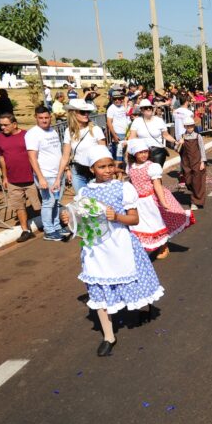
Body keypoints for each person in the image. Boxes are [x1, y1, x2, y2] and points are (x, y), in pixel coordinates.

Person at [60, 145, 164, 357]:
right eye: (101, 167)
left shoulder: (123, 188)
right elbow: (81, 222)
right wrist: (68, 219)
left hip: (121, 243)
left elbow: (134, 219)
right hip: (96, 248)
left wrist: (117, 217)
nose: (107, 170)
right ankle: (109, 336)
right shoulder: (85, 192)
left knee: (134, 283)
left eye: (110, 165)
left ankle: (144, 307)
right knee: (99, 287)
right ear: (92, 169)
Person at [126, 139, 194, 259]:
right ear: (134, 154)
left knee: (157, 224)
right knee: (141, 225)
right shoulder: (130, 167)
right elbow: (132, 183)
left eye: (145, 152)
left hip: (152, 200)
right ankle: (144, 246)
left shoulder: (152, 167)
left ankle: (163, 246)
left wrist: (163, 202)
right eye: (140, 152)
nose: (143, 155)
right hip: (139, 201)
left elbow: (157, 185)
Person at [0, 113, 40, 242]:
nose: (3, 127)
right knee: (19, 206)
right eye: (1, 125)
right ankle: (25, 230)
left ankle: (50, 224)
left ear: (15, 124)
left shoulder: (27, 135)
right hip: (13, 180)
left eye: (6, 125)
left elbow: (35, 154)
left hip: (31, 178)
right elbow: (1, 157)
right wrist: (4, 177)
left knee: (39, 205)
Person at [25, 106, 67, 241]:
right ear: (36, 117)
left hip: (58, 174)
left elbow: (58, 152)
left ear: (50, 117)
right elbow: (32, 157)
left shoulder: (52, 131)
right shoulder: (32, 134)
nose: (44, 120)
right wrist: (40, 177)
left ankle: (56, 226)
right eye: (41, 118)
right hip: (46, 175)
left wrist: (65, 170)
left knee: (56, 202)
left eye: (47, 117)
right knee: (48, 202)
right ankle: (49, 230)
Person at [58, 99, 106, 194]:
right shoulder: (68, 131)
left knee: (97, 202)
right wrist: (59, 177)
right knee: (82, 203)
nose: (86, 114)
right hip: (78, 172)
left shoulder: (96, 129)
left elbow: (104, 153)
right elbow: (65, 156)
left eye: (87, 112)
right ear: (73, 113)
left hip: (95, 172)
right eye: (82, 112)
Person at [129, 99, 177, 167]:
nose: (148, 109)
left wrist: (175, 142)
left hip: (158, 151)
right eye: (146, 108)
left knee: (156, 173)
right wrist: (128, 150)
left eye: (150, 107)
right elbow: (132, 137)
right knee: (145, 174)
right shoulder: (137, 121)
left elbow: (166, 135)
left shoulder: (159, 120)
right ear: (141, 110)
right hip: (143, 152)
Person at [178, 117, 207, 210]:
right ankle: (194, 193)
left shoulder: (198, 136)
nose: (190, 128)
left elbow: (202, 149)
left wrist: (202, 161)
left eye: (191, 126)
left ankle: (195, 201)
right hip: (186, 163)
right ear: (185, 127)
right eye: (188, 126)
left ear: (194, 126)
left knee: (197, 182)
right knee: (188, 181)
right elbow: (176, 150)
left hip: (197, 162)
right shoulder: (182, 137)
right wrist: (179, 143)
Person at [106, 91, 129, 162]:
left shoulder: (122, 107)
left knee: (125, 155)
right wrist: (114, 135)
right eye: (115, 99)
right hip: (118, 134)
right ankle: (119, 171)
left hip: (125, 133)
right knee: (118, 156)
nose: (117, 101)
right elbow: (109, 122)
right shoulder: (111, 108)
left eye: (119, 99)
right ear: (112, 100)